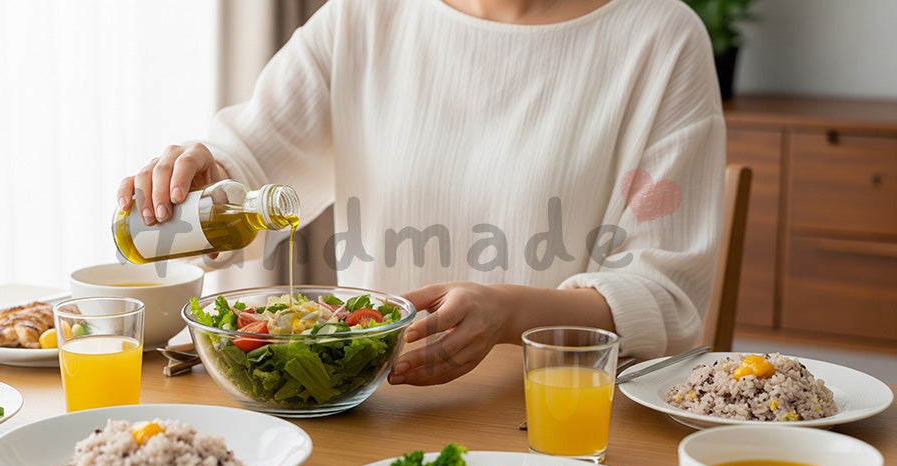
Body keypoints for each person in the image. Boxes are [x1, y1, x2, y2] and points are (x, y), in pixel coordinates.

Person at [117, 0, 726, 387]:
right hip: (359, 405)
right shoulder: (364, 17)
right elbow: (248, 167)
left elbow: (663, 300)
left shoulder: (661, 37)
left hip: (543, 421)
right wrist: (200, 179)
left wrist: (507, 314)